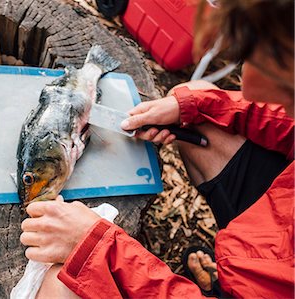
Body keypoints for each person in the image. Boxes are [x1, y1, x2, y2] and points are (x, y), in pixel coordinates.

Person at [20, 0, 294, 297]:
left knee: (58, 284)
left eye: (282, 78)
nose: (250, 88)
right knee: (198, 101)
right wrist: (196, 106)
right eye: (253, 59)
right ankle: (228, 276)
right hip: (274, 222)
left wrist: (97, 248)